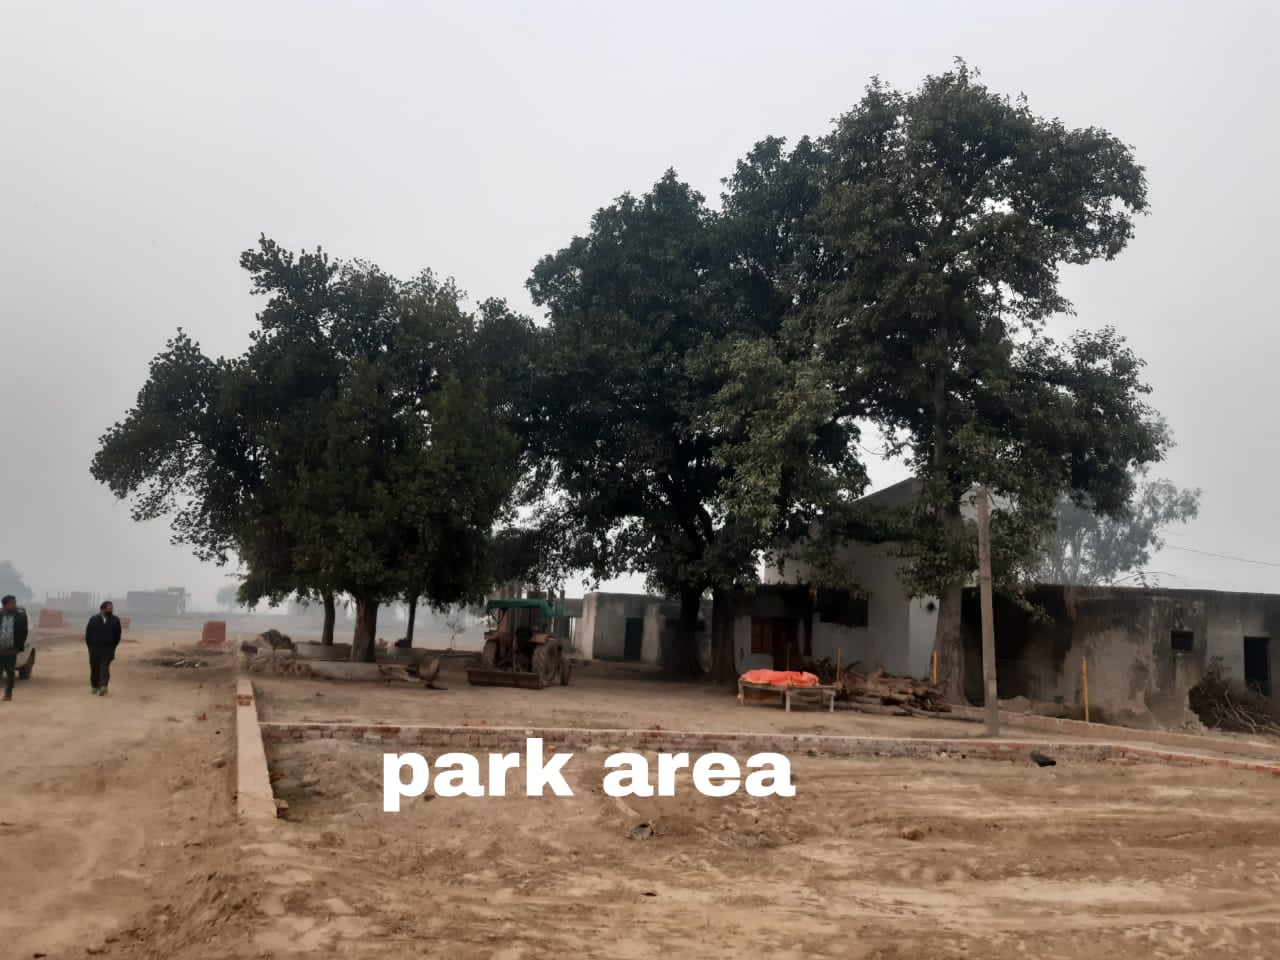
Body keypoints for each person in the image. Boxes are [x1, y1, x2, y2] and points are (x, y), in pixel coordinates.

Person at [85, 600, 122, 696]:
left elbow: (118, 635)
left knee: (104, 666)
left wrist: (113, 646)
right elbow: (88, 634)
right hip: (94, 648)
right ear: (102, 609)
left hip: (108, 648)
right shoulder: (93, 619)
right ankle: (95, 686)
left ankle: (103, 686)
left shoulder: (115, 620)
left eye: (112, 608)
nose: (111, 610)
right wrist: (90, 646)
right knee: (94, 667)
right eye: (109, 608)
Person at [0, 595, 29, 702]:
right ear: (5, 605)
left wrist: (18, 646)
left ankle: (8, 694)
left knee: (10, 672)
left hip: (11, 649)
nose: (13, 605)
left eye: (14, 603)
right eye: (11, 603)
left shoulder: (21, 616)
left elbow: (24, 632)